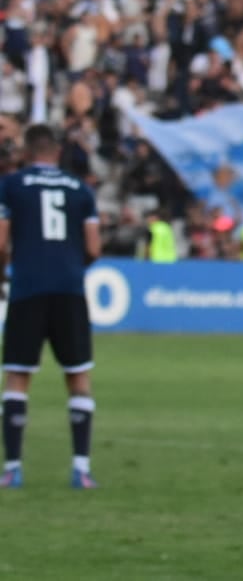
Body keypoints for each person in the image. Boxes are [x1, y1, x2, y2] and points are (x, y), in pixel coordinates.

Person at [0, 123, 102, 489]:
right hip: (69, 291)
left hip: (28, 288)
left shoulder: (11, 185)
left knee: (17, 376)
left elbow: (0, 242)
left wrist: (5, 274)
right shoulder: (81, 189)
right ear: (57, 152)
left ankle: (12, 468)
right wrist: (71, 268)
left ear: (28, 152)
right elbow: (93, 248)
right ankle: (81, 469)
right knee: (77, 376)